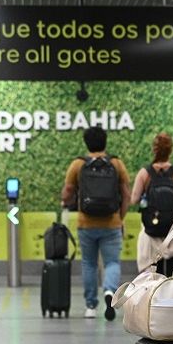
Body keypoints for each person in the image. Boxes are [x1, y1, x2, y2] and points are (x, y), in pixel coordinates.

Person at [61, 126, 131, 320]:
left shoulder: (78, 164)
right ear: (105, 141)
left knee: (89, 264)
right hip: (112, 222)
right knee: (112, 262)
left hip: (86, 223)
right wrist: (120, 217)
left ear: (86, 143)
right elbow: (127, 195)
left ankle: (91, 306)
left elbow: (67, 192)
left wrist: (65, 200)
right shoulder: (116, 163)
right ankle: (110, 291)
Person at [130, 133, 173, 274]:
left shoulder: (145, 173)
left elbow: (134, 199)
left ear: (154, 149)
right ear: (170, 150)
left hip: (151, 232)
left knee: (152, 278)